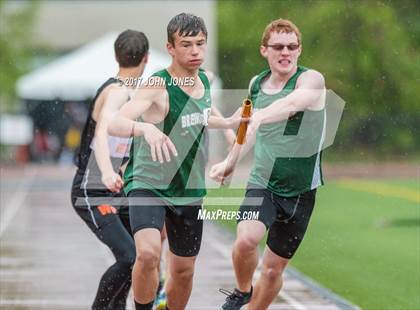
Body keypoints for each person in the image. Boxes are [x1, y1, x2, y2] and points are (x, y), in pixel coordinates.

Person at [108, 13, 243, 310]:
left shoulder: (205, 79)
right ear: (170, 47)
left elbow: (204, 111)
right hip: (148, 183)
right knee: (147, 254)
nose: (195, 51)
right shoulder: (158, 83)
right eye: (186, 44)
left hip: (188, 186)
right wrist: (145, 128)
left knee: (183, 271)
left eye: (200, 44)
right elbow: (115, 121)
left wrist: (230, 125)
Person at [210, 18, 326, 310]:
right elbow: (249, 129)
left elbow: (291, 105)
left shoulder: (311, 79)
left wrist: (259, 115)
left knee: (274, 270)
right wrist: (230, 161)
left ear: (299, 50)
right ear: (265, 50)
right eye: (278, 47)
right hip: (264, 181)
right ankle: (241, 291)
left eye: (291, 46)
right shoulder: (257, 84)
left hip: (301, 191)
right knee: (247, 240)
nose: (285, 52)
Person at [70, 29, 149, 310]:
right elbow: (102, 133)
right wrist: (105, 172)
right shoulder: (115, 93)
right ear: (146, 58)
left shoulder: (132, 93)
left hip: (116, 188)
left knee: (141, 255)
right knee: (129, 256)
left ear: (117, 56)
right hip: (92, 189)